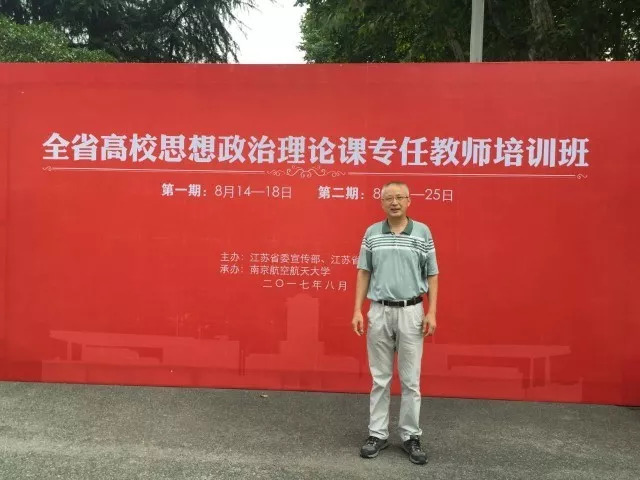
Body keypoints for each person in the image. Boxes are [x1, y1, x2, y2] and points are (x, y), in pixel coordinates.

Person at [352, 181, 439, 465]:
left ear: (409, 201)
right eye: (389, 198)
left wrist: (432, 311)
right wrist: (357, 310)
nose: (394, 202)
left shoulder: (422, 232)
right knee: (380, 377)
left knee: (411, 380)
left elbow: (432, 274)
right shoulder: (372, 233)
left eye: (400, 197)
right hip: (379, 310)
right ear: (381, 202)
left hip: (412, 311)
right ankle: (377, 434)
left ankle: (411, 435)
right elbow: (364, 272)